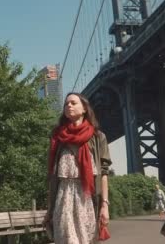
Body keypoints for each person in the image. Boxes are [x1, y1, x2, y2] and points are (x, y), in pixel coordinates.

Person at [44, 92, 112, 244]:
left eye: (73, 103)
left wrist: (104, 205)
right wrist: (50, 209)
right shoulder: (57, 137)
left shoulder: (98, 136)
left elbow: (104, 174)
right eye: (66, 104)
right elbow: (52, 177)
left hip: (87, 198)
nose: (68, 105)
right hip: (63, 198)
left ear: (84, 109)